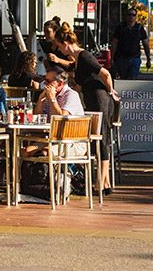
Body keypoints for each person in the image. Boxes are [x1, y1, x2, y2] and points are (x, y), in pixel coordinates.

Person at [56, 23, 118, 195]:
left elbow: (105, 73)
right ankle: (104, 182)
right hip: (92, 98)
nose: (60, 50)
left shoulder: (84, 56)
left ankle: (100, 180)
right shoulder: (77, 59)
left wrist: (110, 91)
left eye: (60, 46)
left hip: (99, 99)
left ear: (66, 43)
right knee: (98, 138)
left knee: (101, 137)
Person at [110, 7, 151, 79]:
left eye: (133, 15)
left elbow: (146, 44)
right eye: (129, 15)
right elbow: (114, 43)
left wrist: (148, 59)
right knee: (122, 79)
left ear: (136, 17)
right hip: (121, 58)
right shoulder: (120, 27)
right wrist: (112, 58)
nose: (131, 17)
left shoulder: (139, 28)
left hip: (134, 58)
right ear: (126, 16)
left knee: (132, 79)